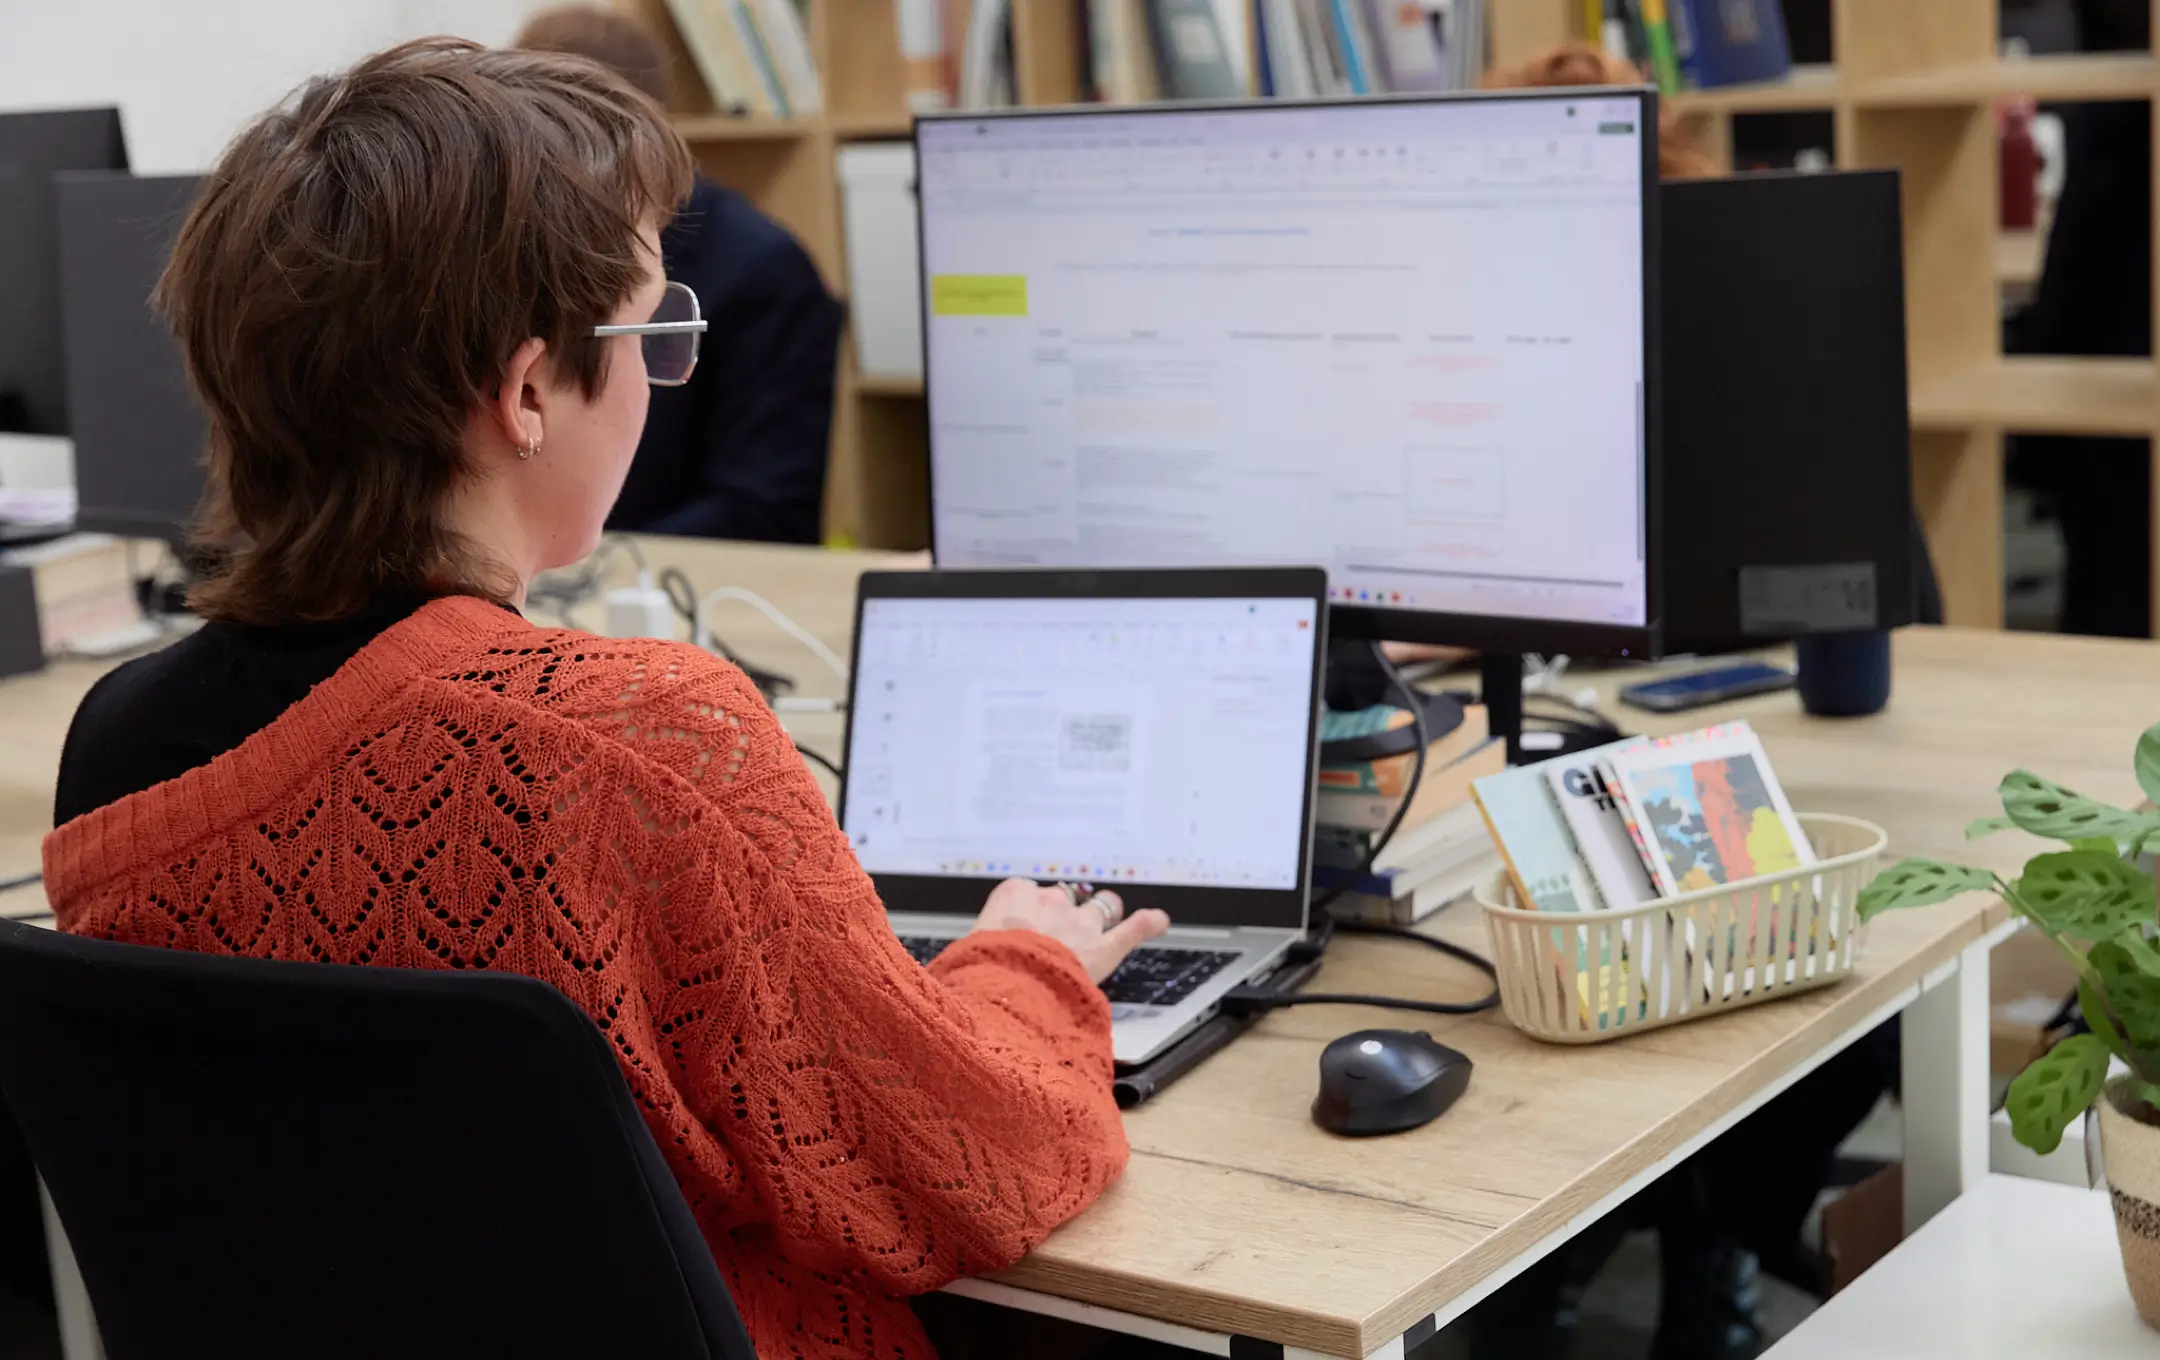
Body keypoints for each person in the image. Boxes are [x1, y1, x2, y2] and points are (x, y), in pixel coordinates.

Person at [40, 39, 1167, 1360]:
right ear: (526, 392)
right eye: (654, 331)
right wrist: (1028, 964)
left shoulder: (117, 748)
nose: (658, 372)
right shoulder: (638, 742)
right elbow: (971, 1166)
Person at [515, 4, 842, 544]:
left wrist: (588, 568)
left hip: (677, 588)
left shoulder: (763, 273)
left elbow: (764, 508)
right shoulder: (516, 252)